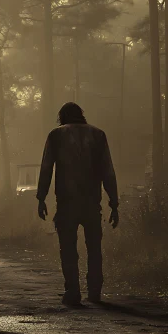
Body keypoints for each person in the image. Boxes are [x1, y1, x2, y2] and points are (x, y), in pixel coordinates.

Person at [37, 102, 118, 307]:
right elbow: (108, 170)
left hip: (66, 203)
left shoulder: (56, 136)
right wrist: (114, 202)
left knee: (68, 249)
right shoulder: (98, 135)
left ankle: (72, 291)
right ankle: (94, 291)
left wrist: (41, 198)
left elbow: (46, 168)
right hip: (92, 203)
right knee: (94, 248)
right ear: (81, 115)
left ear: (62, 117)